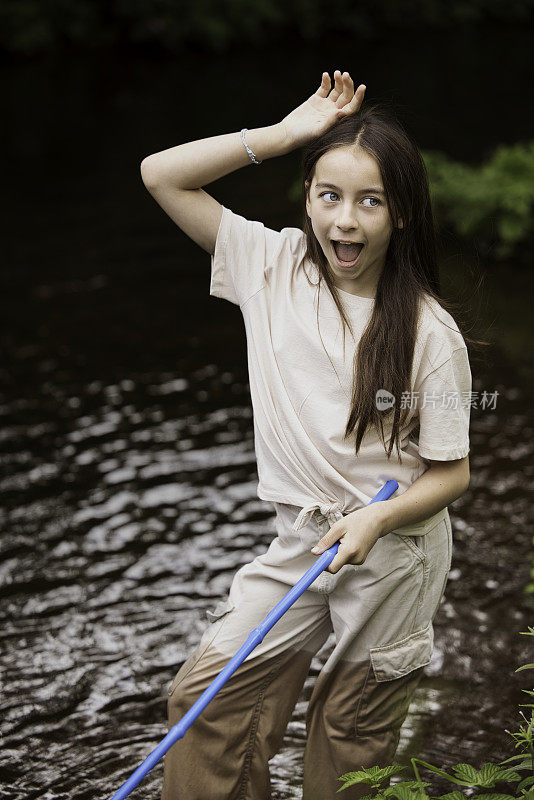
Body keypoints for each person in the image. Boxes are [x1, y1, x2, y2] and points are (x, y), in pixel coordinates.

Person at [140, 70, 473, 800]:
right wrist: (287, 136)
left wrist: (376, 517)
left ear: (403, 215)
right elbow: (160, 175)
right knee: (204, 707)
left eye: (369, 202)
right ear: (308, 200)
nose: (344, 222)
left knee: (346, 743)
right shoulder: (271, 266)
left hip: (391, 554)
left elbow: (451, 476)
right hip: (300, 541)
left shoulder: (429, 333)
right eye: (329, 196)